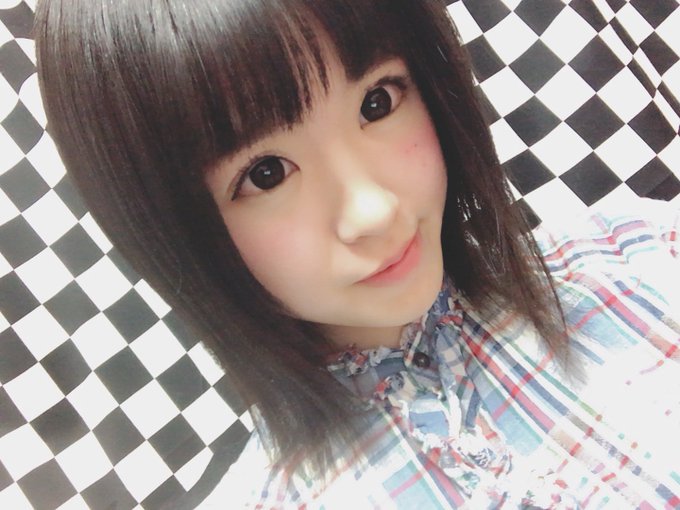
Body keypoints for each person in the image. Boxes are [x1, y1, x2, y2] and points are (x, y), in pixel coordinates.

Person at [33, 0, 680, 508]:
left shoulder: (637, 256)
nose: (373, 211)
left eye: (379, 101)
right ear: (174, 230)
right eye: (265, 174)